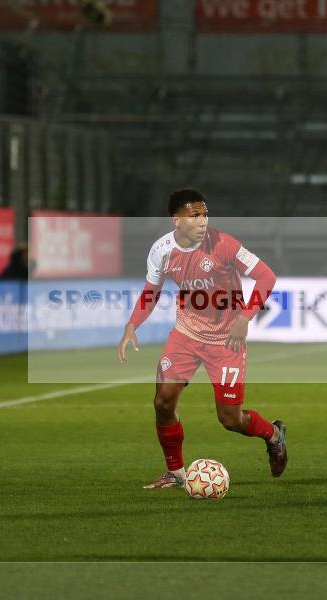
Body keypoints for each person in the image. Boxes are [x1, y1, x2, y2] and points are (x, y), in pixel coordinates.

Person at [117, 188, 288, 489]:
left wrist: (244, 317)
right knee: (162, 402)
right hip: (186, 335)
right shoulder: (161, 251)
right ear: (176, 220)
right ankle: (175, 472)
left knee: (230, 420)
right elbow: (151, 291)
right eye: (194, 215)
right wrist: (132, 324)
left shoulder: (224, 244)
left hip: (226, 342)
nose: (203, 221)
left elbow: (267, 277)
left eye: (205, 214)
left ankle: (273, 435)